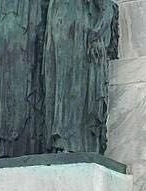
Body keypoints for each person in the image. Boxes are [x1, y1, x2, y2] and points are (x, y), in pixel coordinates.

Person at [43, 0, 118, 154]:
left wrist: (96, 33)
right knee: (57, 93)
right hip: (56, 42)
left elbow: (107, 8)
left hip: (79, 40)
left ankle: (74, 144)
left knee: (74, 92)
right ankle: (60, 142)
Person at [0, 0, 48, 158]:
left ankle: (29, 146)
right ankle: (3, 150)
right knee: (6, 103)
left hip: (29, 47)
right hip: (3, 52)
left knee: (26, 99)